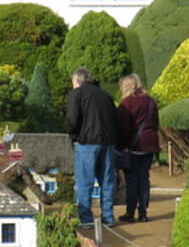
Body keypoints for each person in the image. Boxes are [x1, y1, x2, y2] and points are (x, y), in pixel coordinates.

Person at [66, 67, 119, 228]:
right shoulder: (106, 95)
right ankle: (108, 217)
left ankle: (86, 219)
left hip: (86, 143)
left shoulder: (76, 94)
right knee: (107, 181)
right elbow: (115, 119)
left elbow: (72, 120)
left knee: (84, 182)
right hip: (108, 143)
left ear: (76, 81)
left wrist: (73, 136)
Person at [116, 74, 160, 223]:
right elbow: (155, 122)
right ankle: (143, 212)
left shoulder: (127, 103)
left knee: (132, 180)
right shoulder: (150, 101)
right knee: (144, 178)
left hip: (134, 145)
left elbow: (123, 129)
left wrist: (121, 146)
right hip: (150, 144)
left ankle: (130, 212)